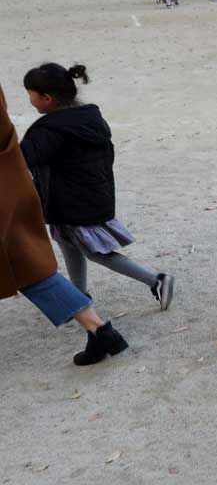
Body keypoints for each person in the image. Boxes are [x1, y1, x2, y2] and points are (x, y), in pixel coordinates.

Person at [21, 63, 174, 308]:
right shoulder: (89, 117)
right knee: (68, 243)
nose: (29, 100)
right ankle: (79, 297)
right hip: (91, 194)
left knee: (95, 252)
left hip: (72, 202)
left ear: (47, 98)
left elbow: (23, 159)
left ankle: (156, 280)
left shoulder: (48, 130)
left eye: (30, 94)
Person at [1, 83, 130, 366]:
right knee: (26, 263)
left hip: (47, 196)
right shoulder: (86, 119)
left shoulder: (50, 130)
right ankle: (99, 330)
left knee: (31, 261)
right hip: (12, 181)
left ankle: (107, 323)